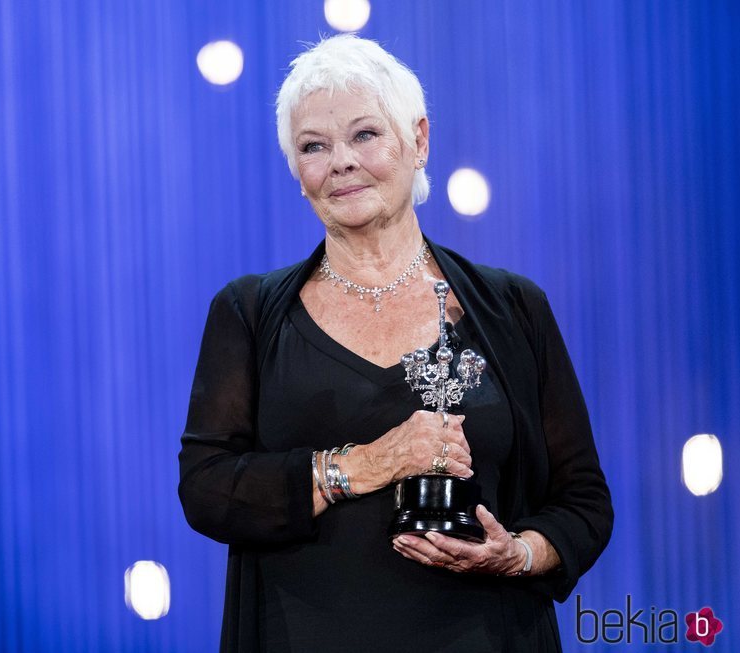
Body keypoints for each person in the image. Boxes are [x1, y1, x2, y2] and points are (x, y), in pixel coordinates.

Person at [178, 34, 613, 652]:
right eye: (313, 147)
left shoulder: (514, 308)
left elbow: (584, 502)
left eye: (364, 135)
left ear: (419, 141)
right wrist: (370, 463)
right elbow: (206, 490)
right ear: (298, 175)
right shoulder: (247, 313)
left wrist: (517, 555)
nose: (341, 162)